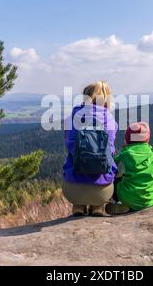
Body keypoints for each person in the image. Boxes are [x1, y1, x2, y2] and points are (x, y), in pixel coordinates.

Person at [62, 81, 118, 217]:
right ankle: (97, 207)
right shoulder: (109, 120)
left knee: (71, 159)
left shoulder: (72, 118)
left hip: (73, 190)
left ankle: (78, 206)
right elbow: (110, 150)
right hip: (103, 191)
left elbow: (69, 144)